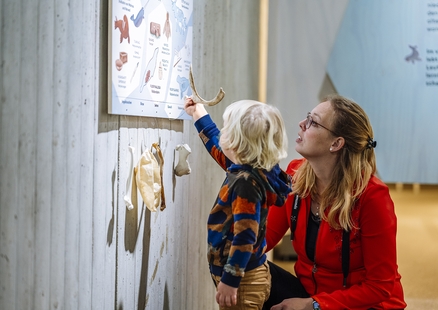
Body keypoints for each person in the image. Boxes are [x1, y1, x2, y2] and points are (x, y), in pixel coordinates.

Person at [264, 94, 407, 310]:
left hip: (366, 304)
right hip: (310, 295)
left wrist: (313, 305)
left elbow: (380, 287)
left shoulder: (372, 197)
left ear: (336, 143)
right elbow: (263, 238)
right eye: (307, 118)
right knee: (245, 268)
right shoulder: (296, 173)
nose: (302, 124)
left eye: (313, 122)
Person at [184, 97, 292, 309]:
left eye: (226, 129)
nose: (221, 132)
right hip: (246, 275)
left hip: (242, 282)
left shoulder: (246, 185)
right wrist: (198, 113)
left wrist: (230, 280)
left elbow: (245, 236)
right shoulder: (253, 170)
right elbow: (217, 146)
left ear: (236, 142)